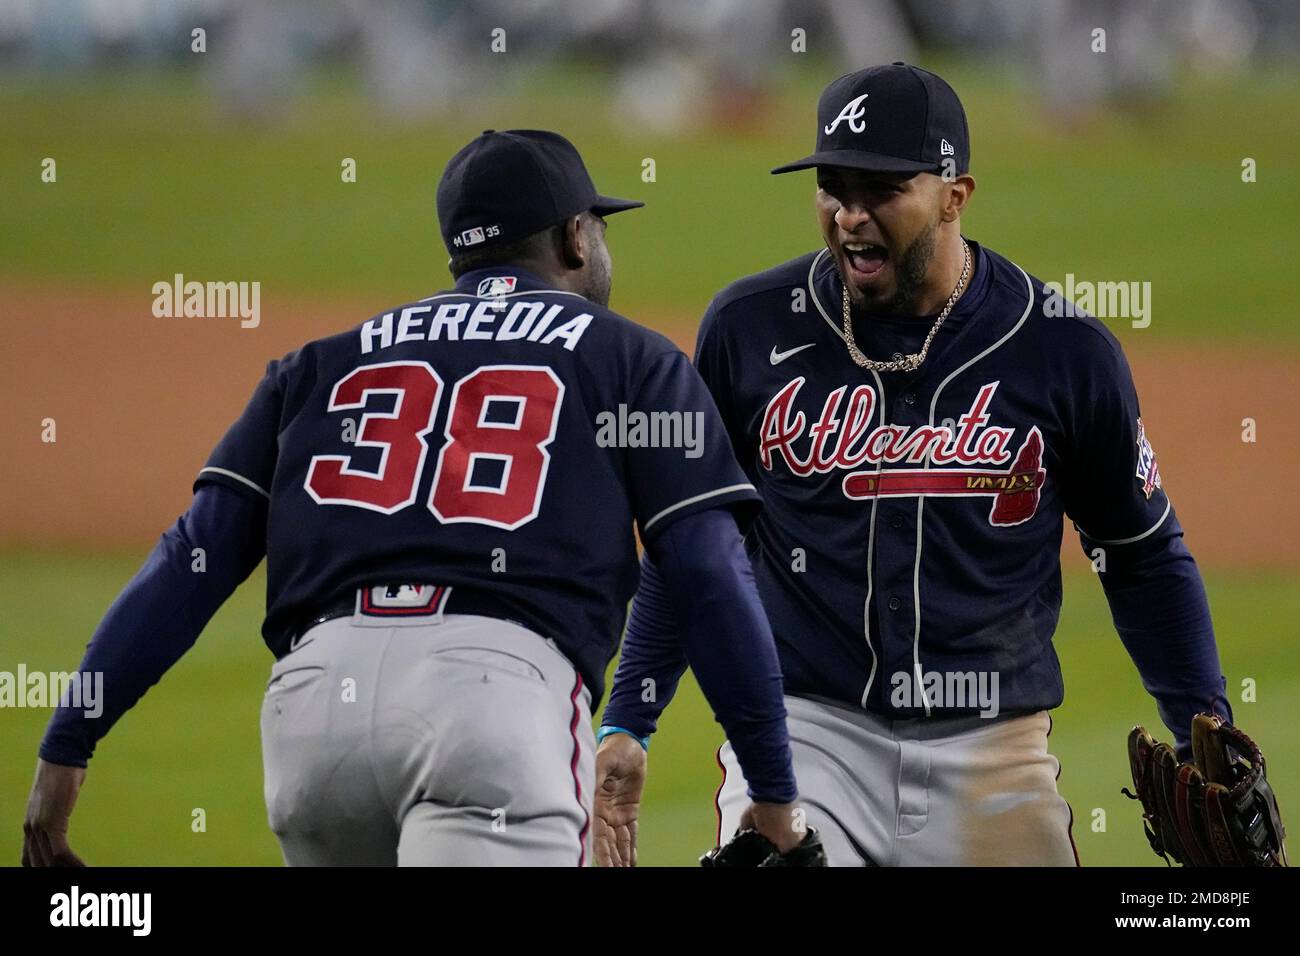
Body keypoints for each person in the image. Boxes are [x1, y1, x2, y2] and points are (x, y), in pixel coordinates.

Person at [23, 129, 803, 867]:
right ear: (573, 238)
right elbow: (707, 571)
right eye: (598, 227)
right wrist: (771, 788)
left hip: (312, 716)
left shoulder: (318, 363)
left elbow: (190, 560)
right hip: (491, 704)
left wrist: (67, 745)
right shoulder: (634, 359)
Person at [595, 64, 1231, 866]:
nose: (850, 215)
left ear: (955, 194)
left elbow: (1140, 557)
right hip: (806, 739)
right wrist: (629, 719)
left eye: (881, 190)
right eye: (833, 186)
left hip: (995, 752)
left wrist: (1207, 728)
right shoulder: (748, 328)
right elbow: (690, 545)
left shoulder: (1064, 350)